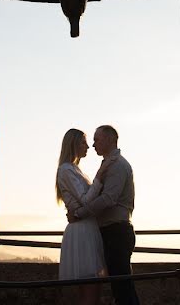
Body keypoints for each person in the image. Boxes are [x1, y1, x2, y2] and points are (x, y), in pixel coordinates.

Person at [69, 125, 139, 305]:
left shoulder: (117, 166)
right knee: (120, 288)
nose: (93, 145)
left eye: (97, 140)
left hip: (116, 232)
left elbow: (108, 199)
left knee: (123, 290)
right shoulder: (110, 164)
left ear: (109, 139)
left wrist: (79, 213)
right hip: (112, 231)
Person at [56, 128, 114, 305]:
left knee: (92, 289)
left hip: (87, 228)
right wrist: (99, 178)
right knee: (89, 288)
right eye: (83, 142)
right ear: (73, 144)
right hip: (82, 232)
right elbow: (84, 200)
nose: (88, 146)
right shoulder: (66, 170)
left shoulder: (75, 170)